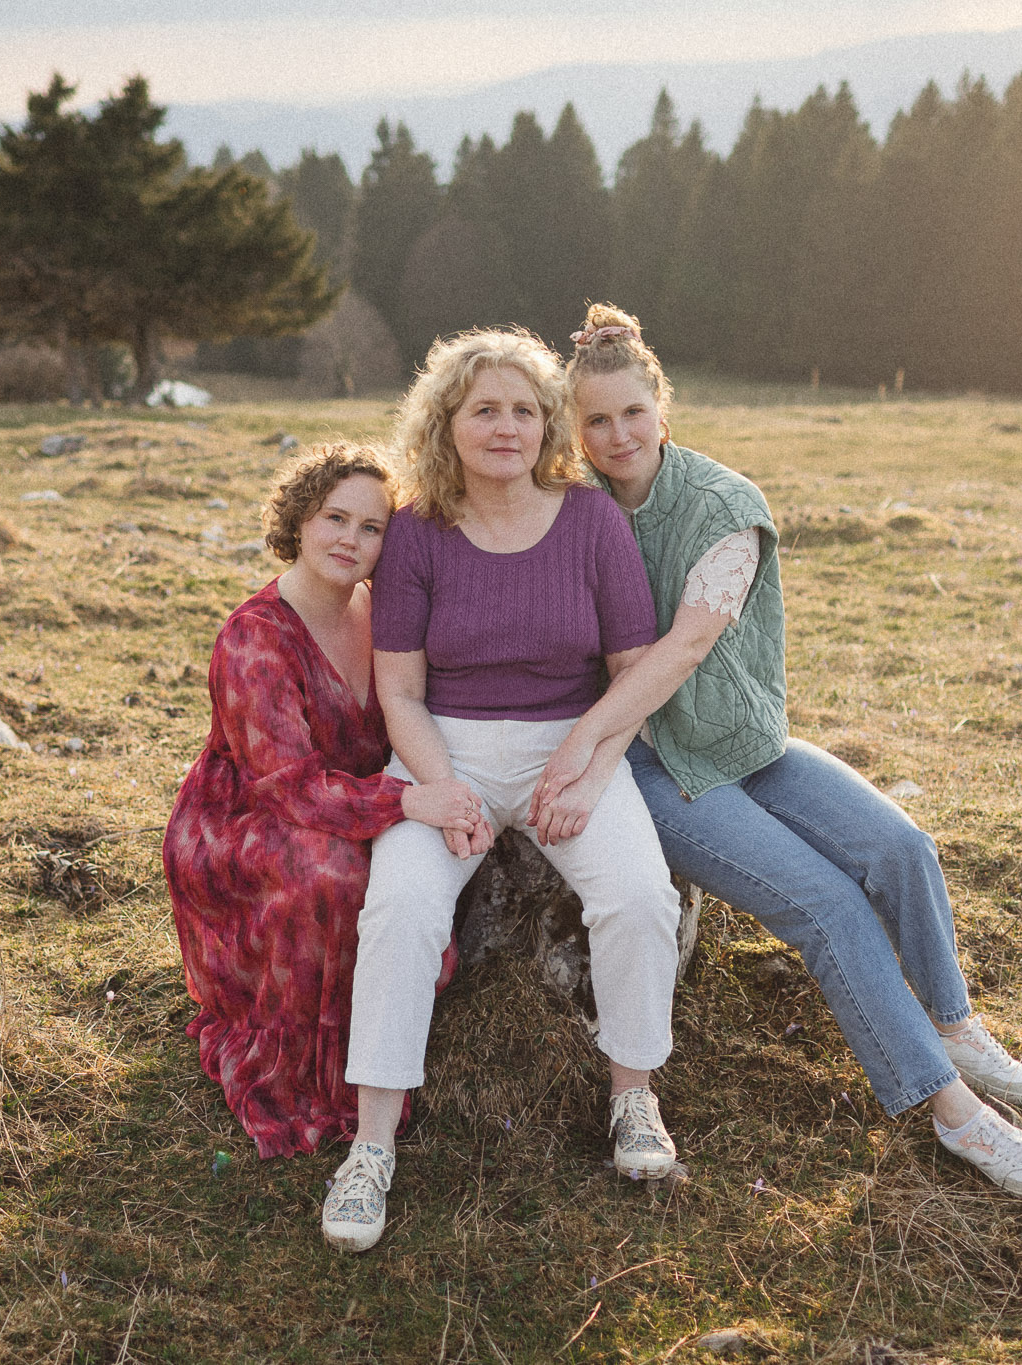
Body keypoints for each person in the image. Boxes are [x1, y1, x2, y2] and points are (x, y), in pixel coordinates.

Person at [528, 302, 1022, 1200]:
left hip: (744, 744)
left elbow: (689, 645)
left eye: (633, 413)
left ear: (662, 410)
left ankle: (951, 1020)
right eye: (595, 420)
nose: (617, 434)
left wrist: (586, 726)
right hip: (653, 767)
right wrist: (592, 740)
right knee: (827, 905)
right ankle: (957, 1117)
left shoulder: (723, 503)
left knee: (900, 847)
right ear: (576, 430)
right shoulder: (580, 511)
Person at [320, 329, 686, 1253]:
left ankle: (633, 1099)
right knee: (399, 906)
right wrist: (440, 790)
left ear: (549, 423)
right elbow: (398, 690)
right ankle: (370, 1149)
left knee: (640, 895)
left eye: (525, 409)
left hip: (574, 742)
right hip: (444, 747)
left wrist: (590, 766)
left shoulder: (592, 520)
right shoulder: (415, 532)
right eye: (485, 408)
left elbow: (633, 673)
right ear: (448, 421)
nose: (507, 427)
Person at [163, 443, 481, 1160]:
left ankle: (382, 1036)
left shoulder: (381, 612)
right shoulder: (253, 636)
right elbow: (286, 784)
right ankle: (311, 1074)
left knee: (404, 879)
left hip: (354, 800)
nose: (351, 539)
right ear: (300, 521)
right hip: (247, 818)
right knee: (333, 877)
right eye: (335, 517)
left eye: (371, 528)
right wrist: (407, 801)